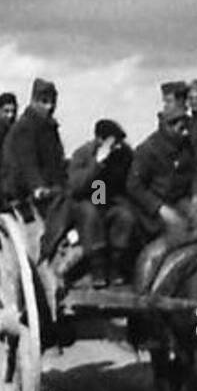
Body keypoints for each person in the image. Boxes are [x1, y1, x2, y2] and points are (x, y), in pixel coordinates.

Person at [0, 77, 69, 261]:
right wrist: (37, 186)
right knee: (64, 205)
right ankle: (47, 253)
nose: (49, 107)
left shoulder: (50, 127)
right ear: (33, 101)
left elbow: (58, 163)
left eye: (53, 102)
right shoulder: (25, 127)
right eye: (44, 102)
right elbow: (26, 162)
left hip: (51, 188)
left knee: (84, 202)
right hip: (23, 190)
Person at [126, 103, 197, 247]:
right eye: (181, 128)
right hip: (154, 208)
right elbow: (134, 186)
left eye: (186, 127)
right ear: (168, 126)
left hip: (181, 200)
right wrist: (159, 207)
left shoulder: (187, 146)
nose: (185, 133)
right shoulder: (148, 150)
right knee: (179, 232)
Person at [67, 118, 137, 287]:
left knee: (125, 217)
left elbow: (126, 183)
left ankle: (116, 267)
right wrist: (97, 164)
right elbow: (76, 186)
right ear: (100, 140)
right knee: (92, 215)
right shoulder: (83, 154)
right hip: (83, 202)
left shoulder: (123, 154)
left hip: (108, 200)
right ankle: (97, 269)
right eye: (113, 143)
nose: (118, 147)